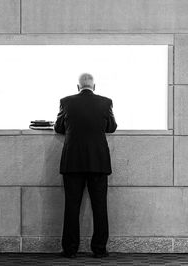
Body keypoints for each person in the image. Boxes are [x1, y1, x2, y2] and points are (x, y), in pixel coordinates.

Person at [54, 73, 117, 258]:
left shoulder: (66, 101)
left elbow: (59, 128)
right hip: (98, 162)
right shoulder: (106, 102)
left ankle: (70, 249)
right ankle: (99, 249)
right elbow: (111, 127)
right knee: (100, 207)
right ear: (94, 86)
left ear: (77, 86)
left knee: (71, 207)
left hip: (73, 163)